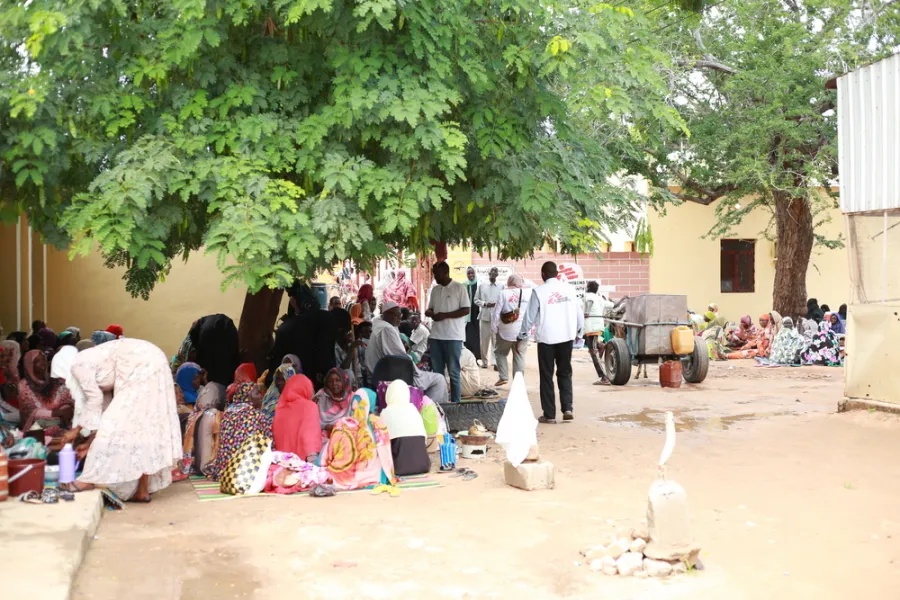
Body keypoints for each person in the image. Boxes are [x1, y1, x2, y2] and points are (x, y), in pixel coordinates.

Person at [57, 338, 182, 502]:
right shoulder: (95, 362)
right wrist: (89, 444)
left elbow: (95, 402)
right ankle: (142, 490)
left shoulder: (78, 365)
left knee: (121, 424)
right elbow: (106, 411)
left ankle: (86, 480)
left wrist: (75, 430)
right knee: (143, 427)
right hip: (151, 359)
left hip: (142, 362)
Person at [518, 261, 583, 423]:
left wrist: (522, 335)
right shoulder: (569, 290)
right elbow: (579, 313)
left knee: (546, 376)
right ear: (557, 274)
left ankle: (549, 415)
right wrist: (579, 331)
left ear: (543, 275)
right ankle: (567, 408)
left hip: (546, 339)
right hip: (566, 337)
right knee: (565, 372)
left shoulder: (538, 291)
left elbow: (529, 317)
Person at [368, 302, 449, 402]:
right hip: (394, 375)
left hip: (381, 374)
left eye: (400, 315)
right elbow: (400, 358)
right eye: (396, 315)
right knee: (439, 379)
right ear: (386, 314)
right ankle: (431, 411)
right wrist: (416, 369)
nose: (399, 318)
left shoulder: (379, 325)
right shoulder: (387, 329)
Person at [321, 388, 396, 490]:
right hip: (375, 477)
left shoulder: (343, 424)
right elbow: (386, 457)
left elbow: (328, 454)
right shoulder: (379, 424)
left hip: (343, 478)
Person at [270, 282, 336, 389]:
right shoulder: (326, 318)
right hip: (320, 380)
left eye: (292, 297)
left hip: (298, 383)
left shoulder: (287, 328)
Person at [205, 382, 271, 481]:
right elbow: (269, 441)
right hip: (246, 470)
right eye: (257, 393)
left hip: (224, 470)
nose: (261, 396)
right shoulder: (256, 415)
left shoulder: (227, 413)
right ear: (247, 397)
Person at [426, 261, 471, 404]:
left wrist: (445, 315)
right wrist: (430, 313)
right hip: (436, 336)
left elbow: (466, 309)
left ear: (446, 272)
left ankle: (455, 403)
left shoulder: (459, 288)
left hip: (453, 336)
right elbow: (430, 309)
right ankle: (440, 403)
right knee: (438, 374)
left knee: (453, 372)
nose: (435, 277)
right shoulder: (435, 289)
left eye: (437, 274)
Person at [18, 350, 75, 434]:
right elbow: (29, 411)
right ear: (30, 365)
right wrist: (54, 413)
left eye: (44, 359)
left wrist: (64, 409)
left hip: (60, 419)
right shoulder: (24, 385)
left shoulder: (55, 380)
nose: (43, 363)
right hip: (36, 425)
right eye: (37, 361)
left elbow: (67, 399)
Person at [380, 380, 430, 476]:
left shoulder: (386, 412)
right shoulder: (413, 410)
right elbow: (424, 439)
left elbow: (382, 443)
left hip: (398, 468)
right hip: (423, 465)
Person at [491, 274, 532, 387]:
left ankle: (503, 376)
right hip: (523, 331)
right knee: (519, 356)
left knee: (500, 353)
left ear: (509, 281)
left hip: (506, 331)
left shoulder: (503, 293)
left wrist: (494, 327)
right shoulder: (528, 293)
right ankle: (518, 384)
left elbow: (497, 311)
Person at [273, 374, 322, 462]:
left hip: (282, 462)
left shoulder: (280, 408)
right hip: (302, 462)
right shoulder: (310, 406)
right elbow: (310, 436)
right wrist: (312, 461)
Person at [187, 314, 240, 387]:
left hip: (207, 335)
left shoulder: (198, 328)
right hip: (227, 333)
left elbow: (195, 341)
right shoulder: (224, 323)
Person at [582, 280, 613, 385]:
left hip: (591, 327)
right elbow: (609, 305)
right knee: (592, 347)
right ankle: (600, 346)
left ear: (588, 287)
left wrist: (586, 312)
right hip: (596, 325)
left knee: (593, 352)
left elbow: (589, 303)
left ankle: (604, 377)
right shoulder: (598, 297)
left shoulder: (589, 296)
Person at [315, 368, 354, 445]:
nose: (334, 384)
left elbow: (355, 420)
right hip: (324, 435)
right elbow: (313, 420)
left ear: (344, 381)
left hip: (346, 434)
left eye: (338, 380)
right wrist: (326, 426)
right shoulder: (321, 395)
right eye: (330, 381)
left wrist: (340, 428)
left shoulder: (352, 397)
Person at [473, 267, 503, 369]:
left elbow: (503, 301)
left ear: (497, 275)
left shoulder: (501, 286)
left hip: (496, 318)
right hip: (485, 317)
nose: (493, 274)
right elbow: (476, 300)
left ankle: (495, 363)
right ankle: (485, 362)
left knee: (496, 341)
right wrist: (485, 303)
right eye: (491, 272)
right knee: (484, 341)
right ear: (488, 273)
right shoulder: (482, 286)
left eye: (495, 272)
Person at [462, 267, 481, 361]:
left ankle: (478, 356)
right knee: (468, 336)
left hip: (477, 314)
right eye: (468, 273)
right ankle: (469, 357)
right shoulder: (464, 285)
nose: (470, 275)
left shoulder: (479, 285)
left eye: (472, 273)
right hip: (467, 315)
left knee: (477, 336)